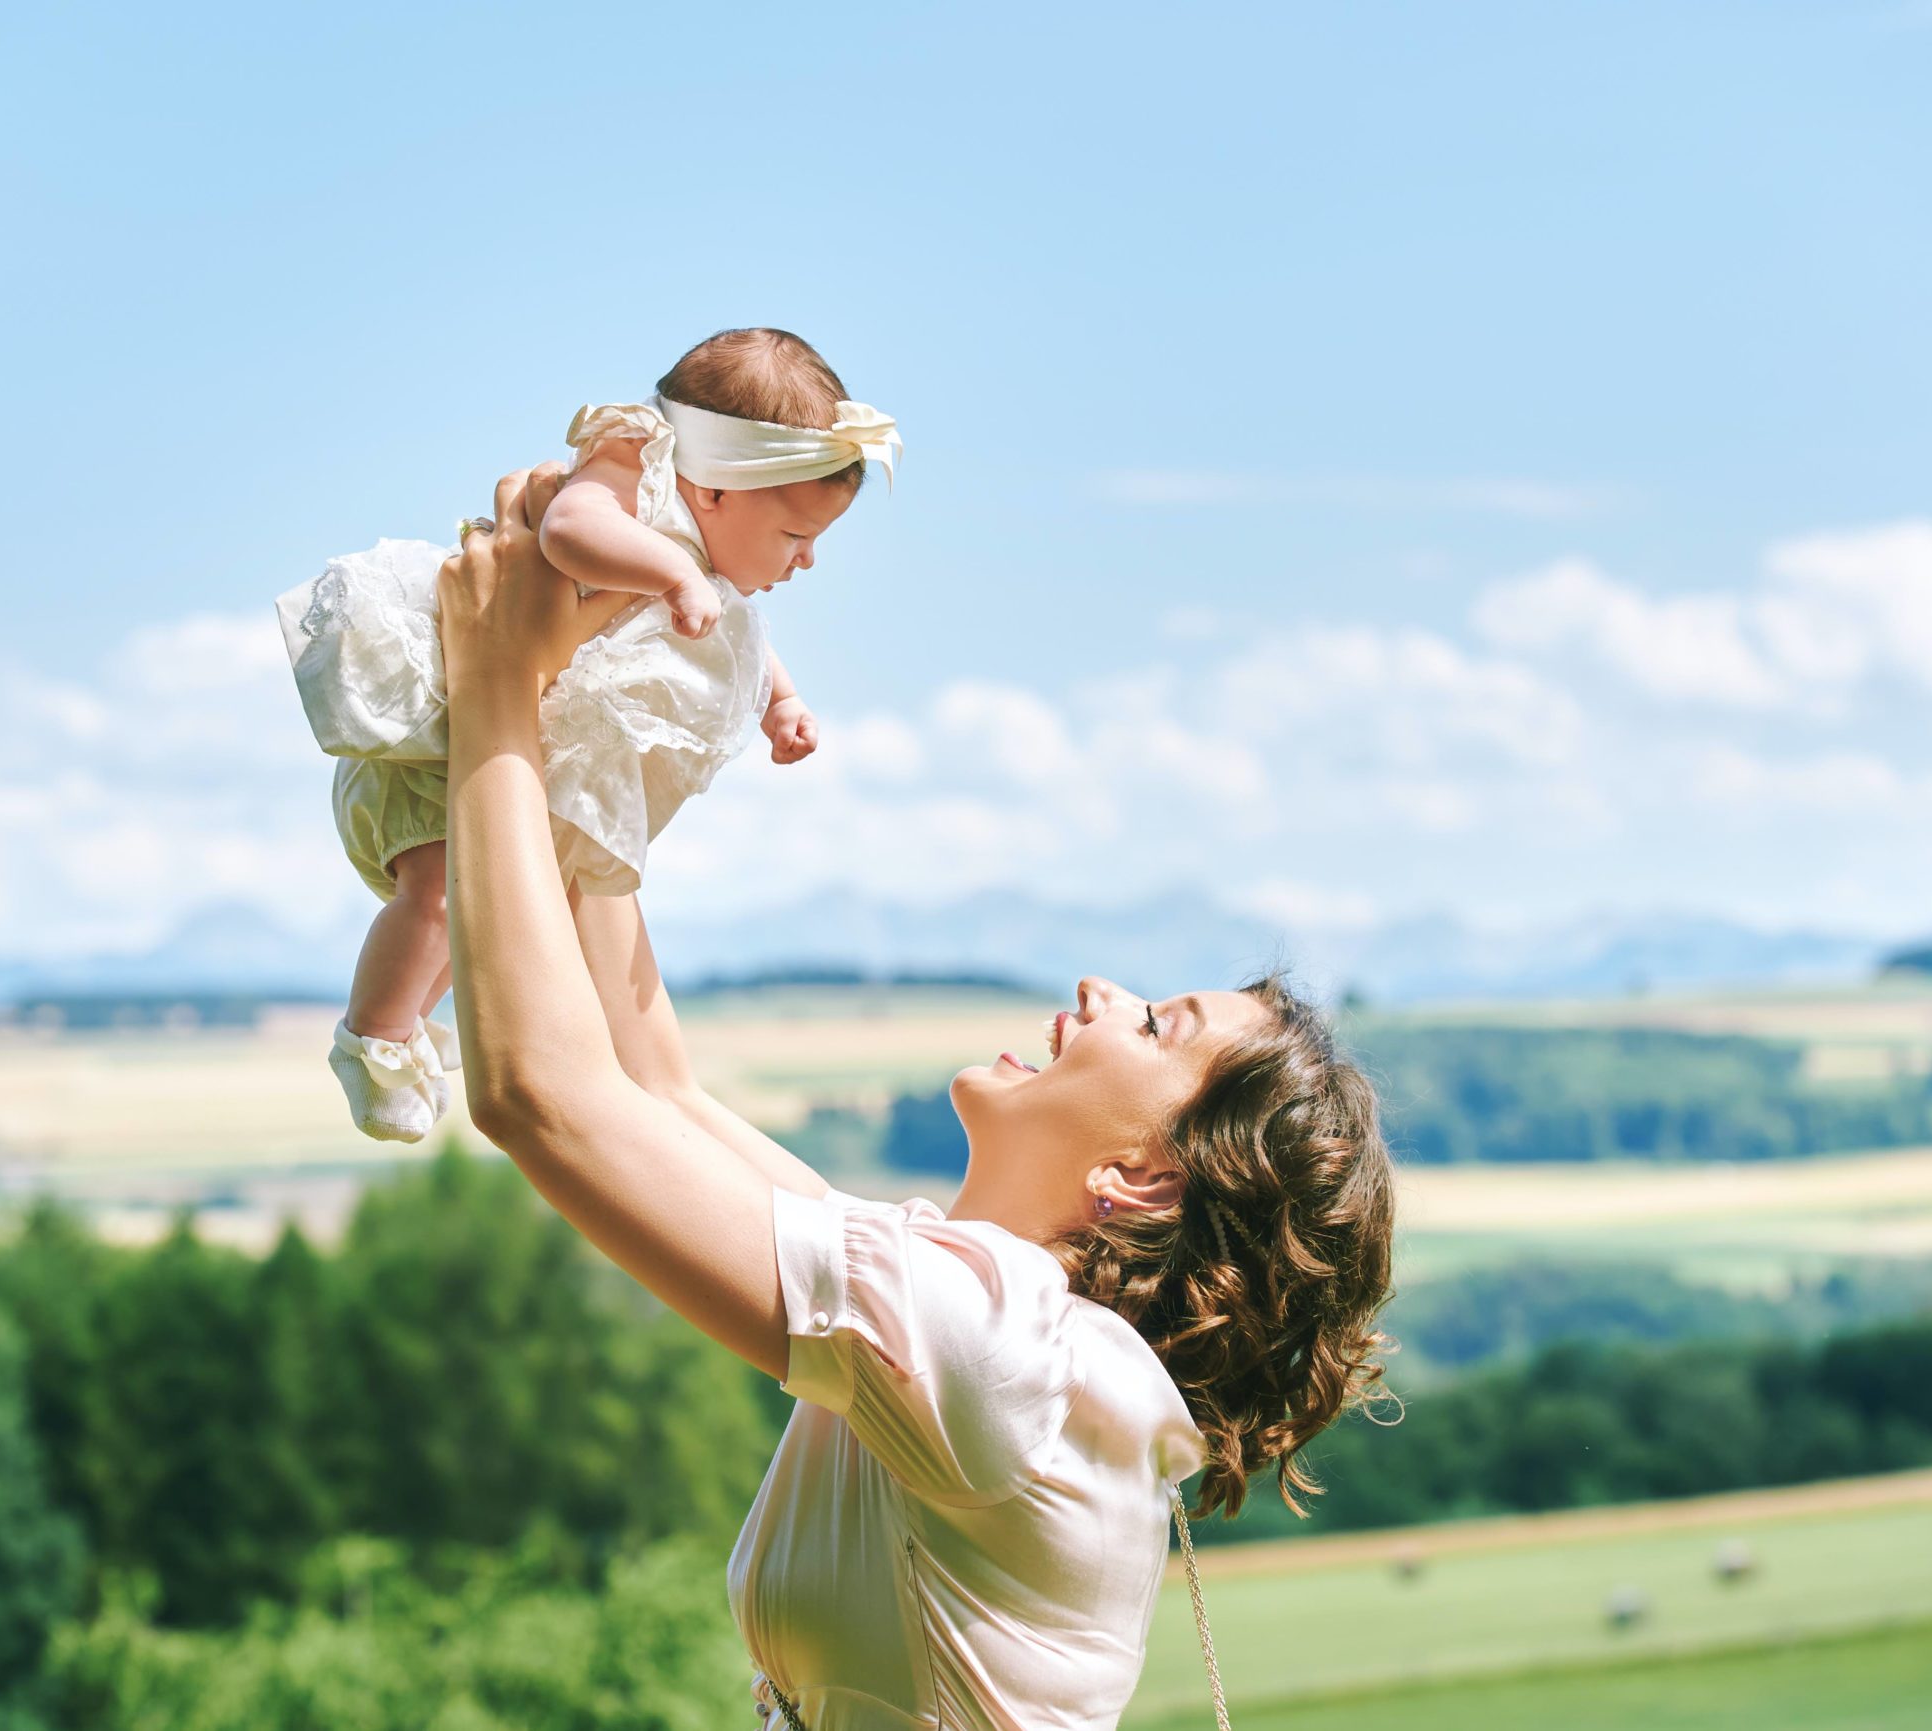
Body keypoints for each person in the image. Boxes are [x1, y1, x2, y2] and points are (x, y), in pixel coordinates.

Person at [434, 465, 1398, 1729]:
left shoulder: (997, 1348)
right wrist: (585, 709)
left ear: (1143, 1181)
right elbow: (643, 1084)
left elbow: (544, 1099)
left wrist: (493, 686)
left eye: (1157, 1024)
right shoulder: (966, 1307)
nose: (1103, 989)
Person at [275, 328, 900, 1140]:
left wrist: (781, 701)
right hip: (447, 743)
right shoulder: (635, 472)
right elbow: (571, 529)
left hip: (528, 756)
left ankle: (444, 1026)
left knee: (502, 908)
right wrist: (673, 572)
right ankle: (376, 1037)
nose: (807, 559)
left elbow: (744, 637)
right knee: (434, 896)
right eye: (793, 536)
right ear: (715, 490)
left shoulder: (712, 578)